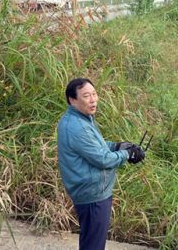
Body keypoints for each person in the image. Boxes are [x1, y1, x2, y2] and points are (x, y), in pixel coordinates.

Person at [57, 77, 145, 250]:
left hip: (92, 193)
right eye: (86, 96)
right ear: (72, 100)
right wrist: (126, 154)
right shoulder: (78, 127)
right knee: (93, 246)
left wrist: (117, 146)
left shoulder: (81, 120)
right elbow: (102, 159)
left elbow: (96, 147)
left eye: (94, 94)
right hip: (92, 196)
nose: (93, 100)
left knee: (91, 242)